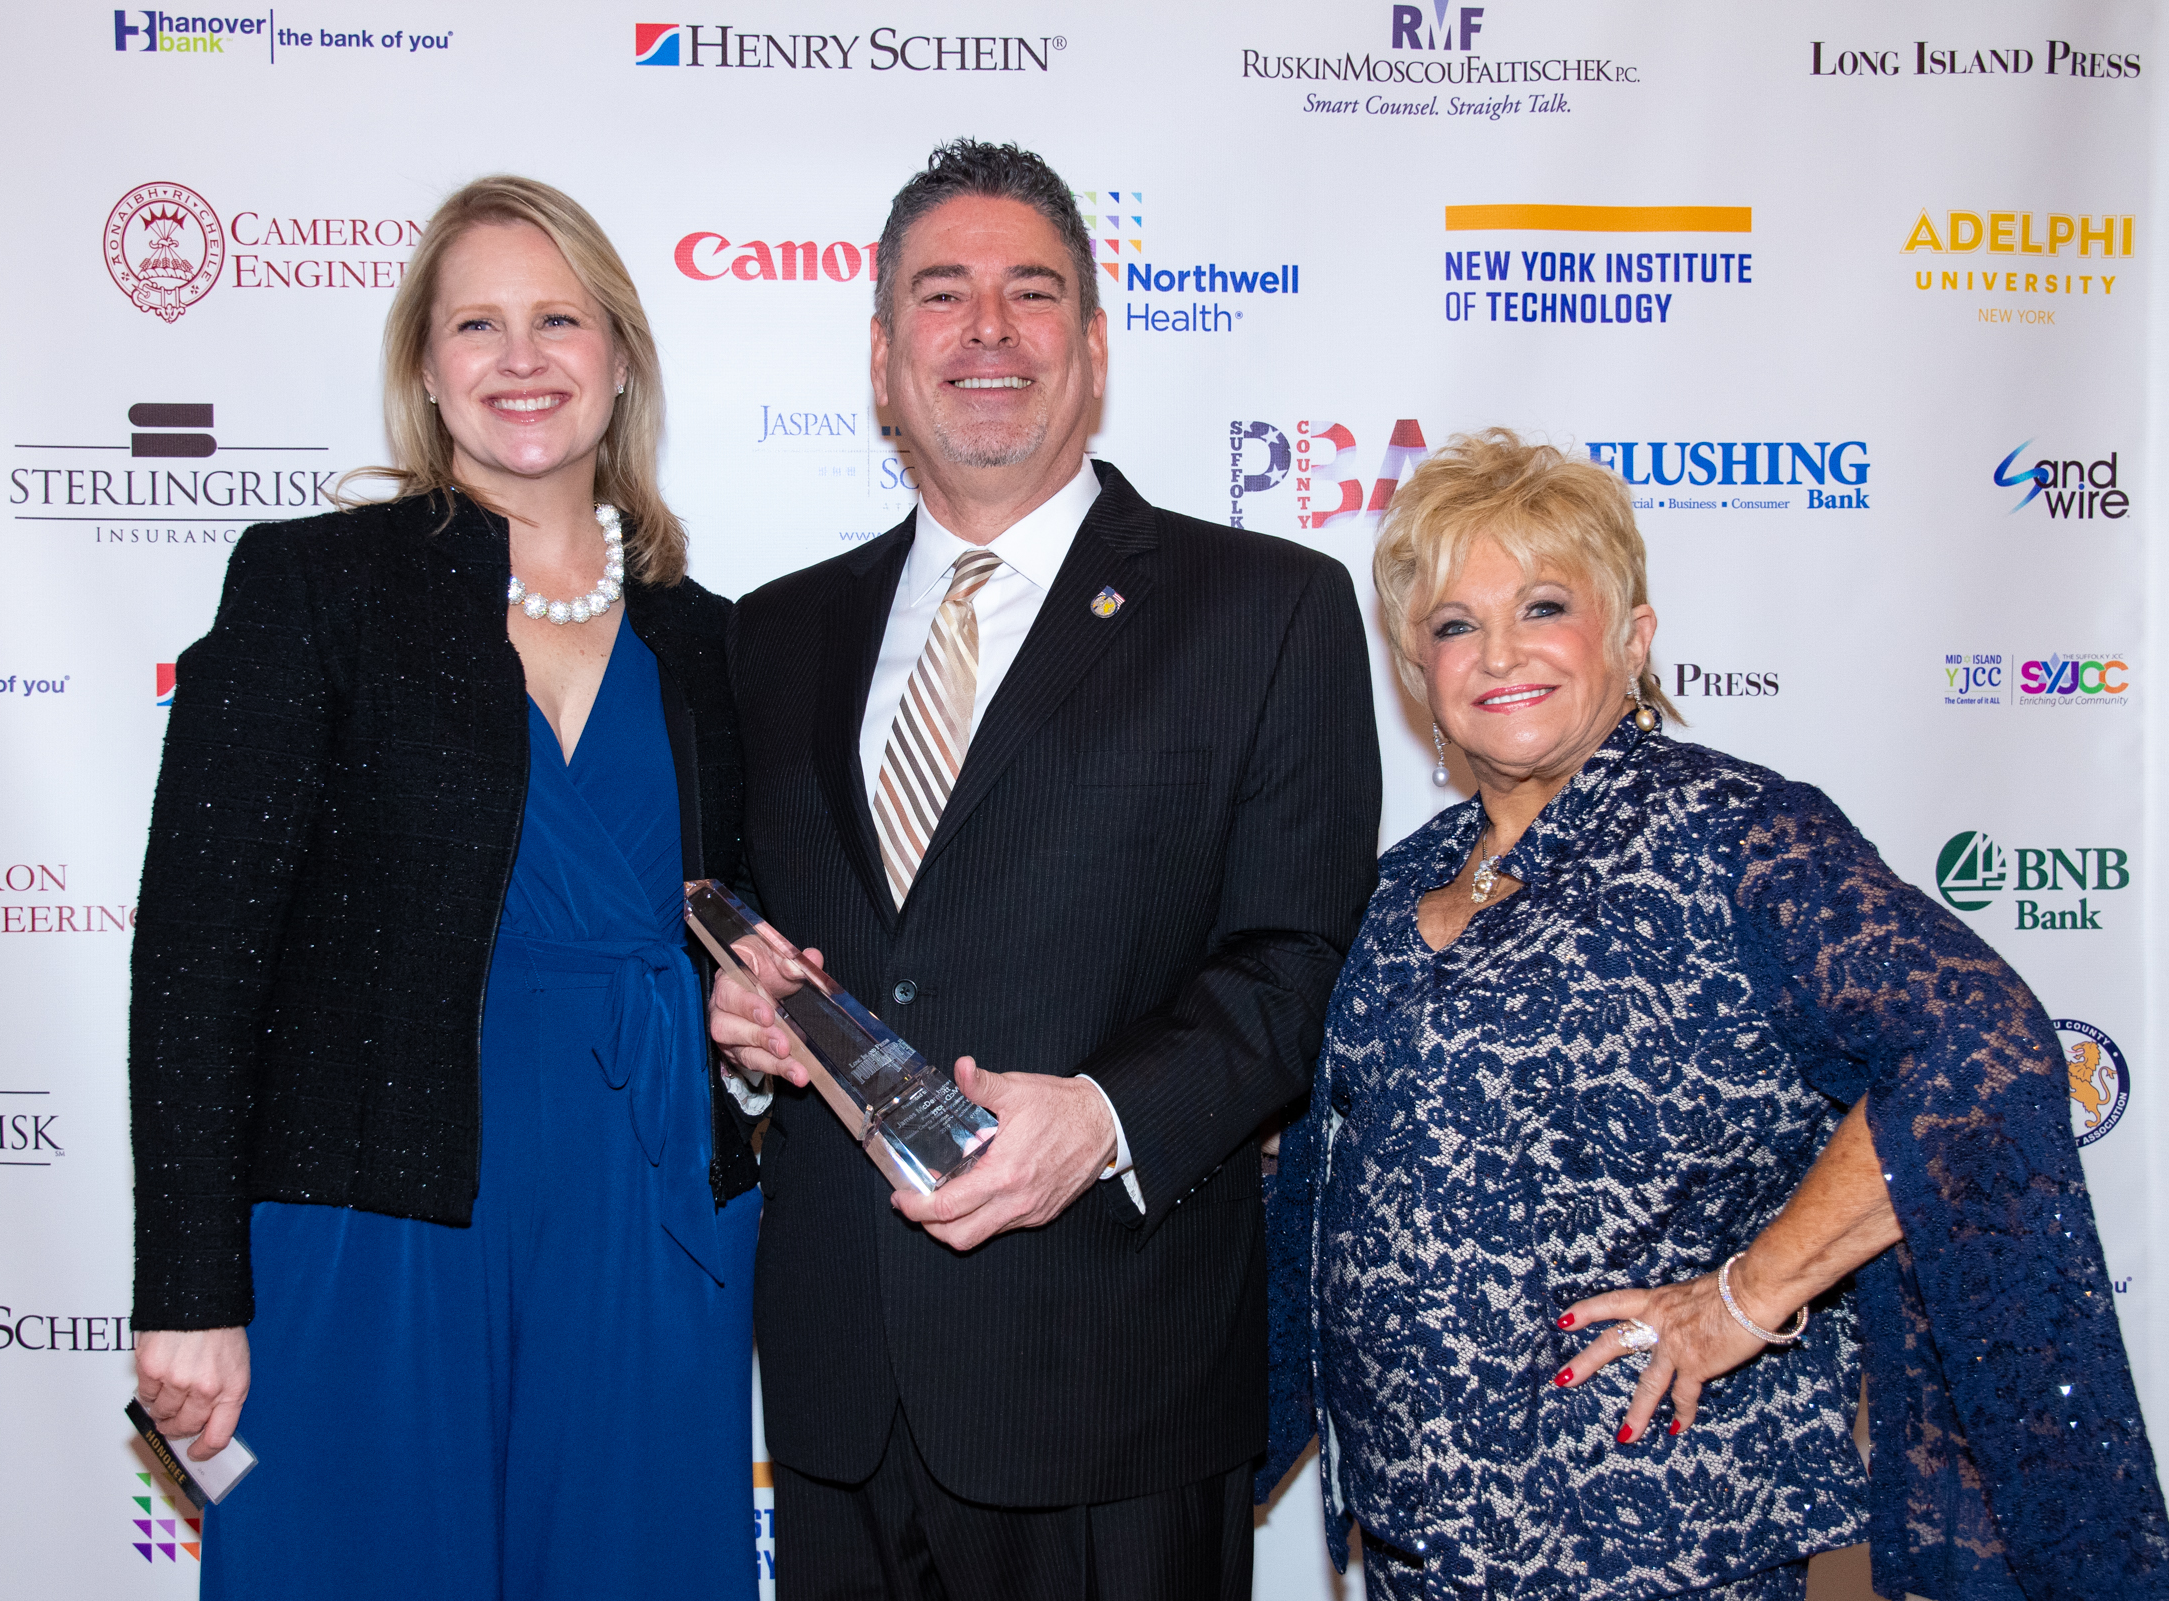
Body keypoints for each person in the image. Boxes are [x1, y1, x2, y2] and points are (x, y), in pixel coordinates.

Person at [1264, 429, 2169, 1599]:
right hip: (1414, 1536)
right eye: (1453, 624)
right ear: (1414, 668)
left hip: (1659, 1531)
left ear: (1632, 637)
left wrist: (1748, 1294)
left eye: (1544, 606)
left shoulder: (1730, 834)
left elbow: (1976, 1050)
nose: (1499, 652)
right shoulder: (1397, 885)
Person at [709, 139, 1381, 1600]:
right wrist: (745, 1037)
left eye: (1032, 292)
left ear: (1093, 345)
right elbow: (757, 944)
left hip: (1112, 1384)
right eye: (942, 294)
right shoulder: (771, 634)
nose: (988, 329)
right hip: (837, 1386)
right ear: (882, 357)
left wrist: (1104, 1115)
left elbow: (1301, 960)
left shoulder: (1267, 609)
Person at [128, 175, 761, 1599]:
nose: (521, 358)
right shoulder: (315, 585)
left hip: (655, 1219)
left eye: (560, 320)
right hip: (373, 1217)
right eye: (477, 324)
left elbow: (746, 942)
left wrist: (759, 1031)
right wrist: (188, 1288)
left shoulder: (717, 641)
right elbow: (196, 959)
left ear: (621, 357)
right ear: (424, 366)